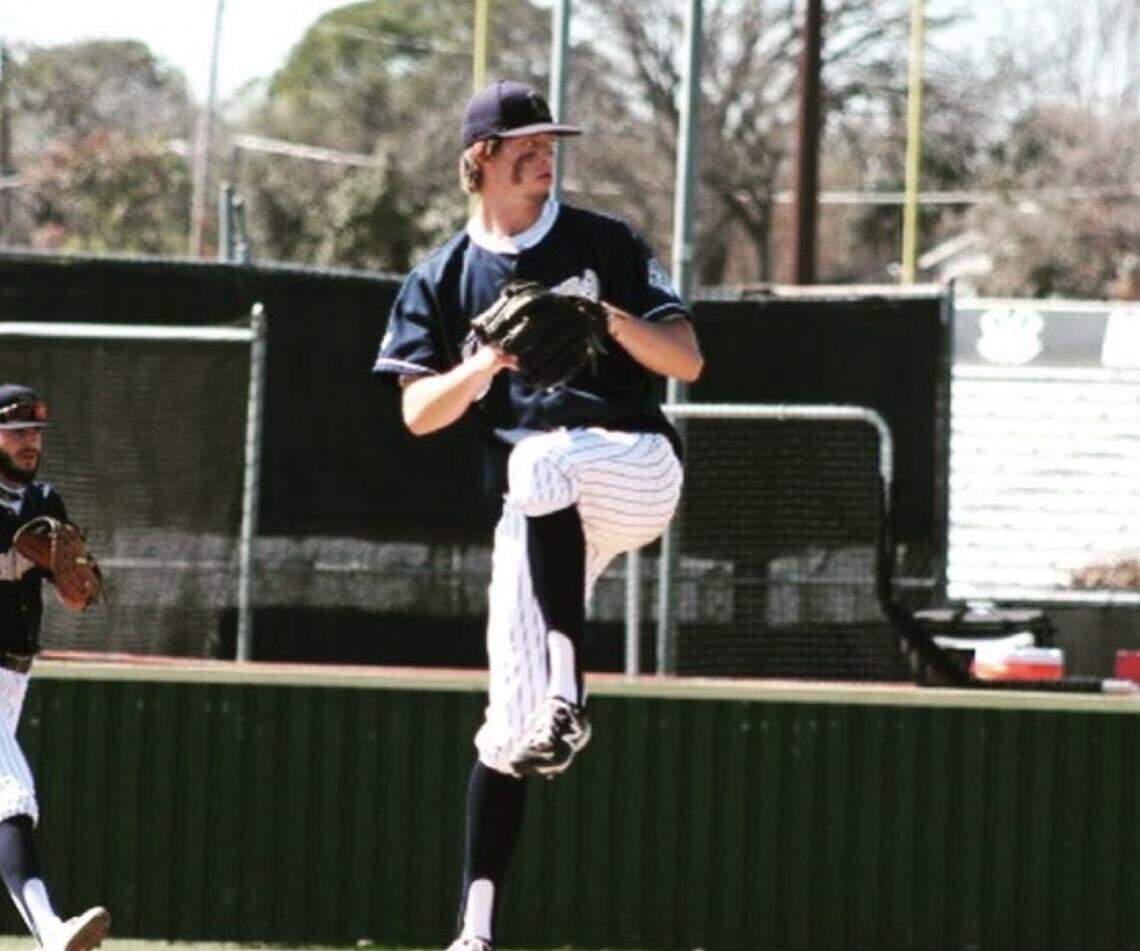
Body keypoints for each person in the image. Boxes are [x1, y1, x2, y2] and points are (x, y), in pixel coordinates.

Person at [373, 80, 704, 951]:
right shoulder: (440, 277)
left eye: (550, 138)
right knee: (505, 729)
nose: (544, 151)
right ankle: (475, 933)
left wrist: (602, 314)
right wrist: (483, 364)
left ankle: (570, 687)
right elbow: (418, 413)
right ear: (479, 158)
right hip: (538, 504)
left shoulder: (605, 241)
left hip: (632, 464)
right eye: (524, 141)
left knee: (540, 458)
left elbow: (686, 360)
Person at [0, 384, 111, 951]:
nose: (30, 442)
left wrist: (78, 584)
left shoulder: (46, 501)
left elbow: (74, 596)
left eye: (36, 433)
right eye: (17, 431)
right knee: (11, 795)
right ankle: (51, 930)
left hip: (14, 673)